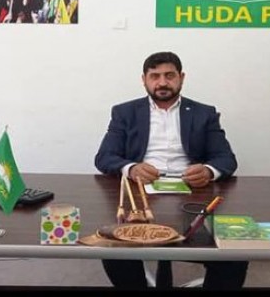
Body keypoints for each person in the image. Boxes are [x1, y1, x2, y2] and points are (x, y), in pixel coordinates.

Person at [94, 51, 248, 289]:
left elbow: (226, 158)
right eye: (154, 76)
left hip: (193, 197)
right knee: (114, 249)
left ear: (181, 78)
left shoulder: (204, 113)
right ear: (144, 80)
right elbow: (105, 157)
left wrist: (208, 171)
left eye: (169, 75)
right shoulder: (125, 112)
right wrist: (132, 168)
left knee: (233, 256)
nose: (162, 82)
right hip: (140, 196)